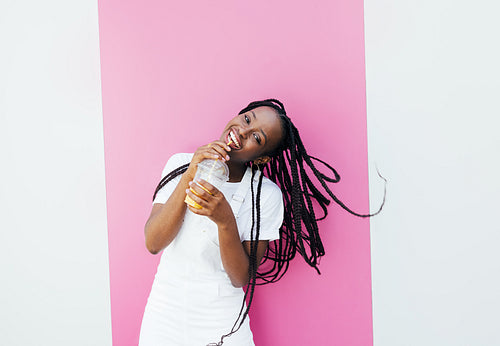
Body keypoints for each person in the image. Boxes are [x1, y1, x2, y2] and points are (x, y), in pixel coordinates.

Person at [139, 99, 385, 346]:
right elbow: (153, 243)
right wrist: (191, 174)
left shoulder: (264, 195)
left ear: (261, 159)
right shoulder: (180, 164)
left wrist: (225, 220)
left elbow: (240, 277)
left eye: (256, 138)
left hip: (221, 324)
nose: (243, 132)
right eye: (247, 119)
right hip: (164, 316)